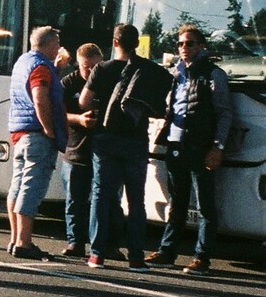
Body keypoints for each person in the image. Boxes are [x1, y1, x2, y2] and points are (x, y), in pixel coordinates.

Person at [81, 23, 168, 270]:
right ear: (137, 43)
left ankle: (97, 254)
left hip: (106, 139)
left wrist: (103, 105)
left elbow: (84, 101)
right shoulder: (148, 69)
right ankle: (136, 257)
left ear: (115, 42)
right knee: (136, 199)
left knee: (101, 195)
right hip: (136, 140)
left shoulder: (102, 68)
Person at [153, 24, 234, 275]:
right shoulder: (176, 74)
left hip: (201, 147)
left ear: (201, 47)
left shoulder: (213, 74)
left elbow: (224, 113)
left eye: (189, 44)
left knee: (205, 206)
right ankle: (167, 252)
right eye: (180, 44)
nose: (184, 48)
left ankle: (202, 257)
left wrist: (217, 147)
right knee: (176, 203)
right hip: (177, 146)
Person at [3, 25, 65, 261]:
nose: (58, 47)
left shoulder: (23, 62)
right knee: (32, 187)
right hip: (37, 134)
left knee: (17, 185)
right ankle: (24, 242)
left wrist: (56, 69)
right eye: (56, 43)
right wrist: (50, 130)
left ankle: (15, 238)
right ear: (49, 44)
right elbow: (39, 97)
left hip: (20, 133)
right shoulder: (40, 66)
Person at [57, 43, 104, 261]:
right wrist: (79, 119)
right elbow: (58, 113)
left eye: (96, 67)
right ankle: (75, 241)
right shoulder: (69, 83)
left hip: (102, 149)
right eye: (87, 67)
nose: (91, 72)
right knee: (75, 199)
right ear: (79, 64)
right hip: (75, 149)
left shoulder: (107, 80)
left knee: (102, 200)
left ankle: (103, 244)